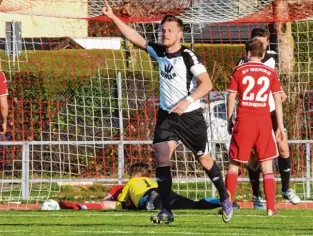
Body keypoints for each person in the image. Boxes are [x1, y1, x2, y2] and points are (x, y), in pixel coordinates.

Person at [102, 0, 232, 224]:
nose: (165, 33)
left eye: (170, 30)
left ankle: (224, 196)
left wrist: (187, 100)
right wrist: (114, 17)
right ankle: (166, 211)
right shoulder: (159, 51)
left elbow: (207, 84)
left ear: (180, 34)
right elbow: (136, 38)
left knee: (204, 159)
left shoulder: (188, 56)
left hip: (190, 116)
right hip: (167, 116)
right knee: (161, 156)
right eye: (163, 30)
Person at [236, 28, 301, 209]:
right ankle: (256, 197)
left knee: (283, 147)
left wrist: (281, 92)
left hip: (271, 113)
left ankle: (286, 189)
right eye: (259, 43)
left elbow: (275, 82)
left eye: (265, 43)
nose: (263, 46)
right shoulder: (243, 64)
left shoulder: (271, 58)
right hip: (253, 115)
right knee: (254, 158)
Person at [224, 38, 285, 222]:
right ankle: (271, 208)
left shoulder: (239, 71)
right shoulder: (270, 72)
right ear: (263, 54)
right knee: (267, 165)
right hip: (263, 121)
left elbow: (231, 96)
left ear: (247, 53)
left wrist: (229, 119)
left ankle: (228, 205)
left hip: (244, 120)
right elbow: (277, 100)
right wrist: (280, 126)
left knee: (234, 164)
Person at [59, 163, 239, 211]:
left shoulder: (130, 182)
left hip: (150, 197)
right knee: (194, 205)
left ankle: (80, 206)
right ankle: (223, 201)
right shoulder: (152, 179)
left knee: (151, 203)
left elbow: (120, 204)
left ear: (134, 174)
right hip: (166, 192)